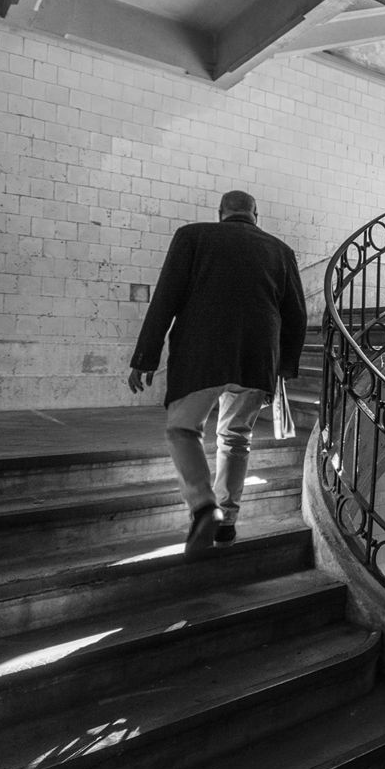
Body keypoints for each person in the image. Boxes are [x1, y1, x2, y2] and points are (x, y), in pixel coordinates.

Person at [128, 190, 306, 559]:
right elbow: (297, 317)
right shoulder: (281, 251)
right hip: (257, 359)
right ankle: (227, 521)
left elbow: (165, 298)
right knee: (236, 437)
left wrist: (146, 356)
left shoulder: (192, 236)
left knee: (182, 430)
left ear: (220, 212)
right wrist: (283, 369)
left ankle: (204, 505)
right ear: (256, 214)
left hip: (202, 355)